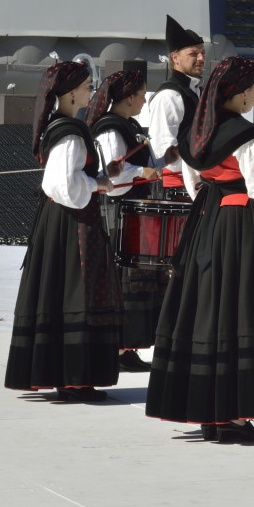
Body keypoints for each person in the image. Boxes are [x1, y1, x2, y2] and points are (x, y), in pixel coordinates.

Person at [146, 56, 254, 443]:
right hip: (243, 224)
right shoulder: (251, 137)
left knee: (207, 307)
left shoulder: (199, 132)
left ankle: (209, 411)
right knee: (242, 306)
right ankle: (232, 413)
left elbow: (192, 178)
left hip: (206, 221)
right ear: (242, 92)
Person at [5, 61, 121, 402]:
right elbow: (61, 185)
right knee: (74, 291)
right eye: (87, 85)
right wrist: (97, 181)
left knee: (64, 291)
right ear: (70, 92)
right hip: (71, 223)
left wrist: (100, 174)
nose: (91, 90)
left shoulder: (67, 126)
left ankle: (70, 375)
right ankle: (72, 377)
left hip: (64, 220)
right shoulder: (69, 131)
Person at [88, 69, 163, 372]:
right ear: (129, 96)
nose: (145, 99)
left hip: (131, 212)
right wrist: (140, 172)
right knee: (121, 280)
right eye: (143, 93)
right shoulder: (109, 128)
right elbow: (112, 177)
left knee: (132, 280)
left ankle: (126, 346)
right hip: (116, 213)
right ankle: (116, 347)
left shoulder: (128, 125)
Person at [145, 15, 205, 200]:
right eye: (193, 54)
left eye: (203, 53)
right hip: (178, 189)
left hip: (198, 182)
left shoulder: (197, 91)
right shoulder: (168, 96)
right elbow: (163, 151)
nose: (201, 58)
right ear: (175, 58)